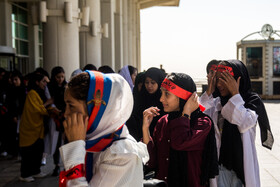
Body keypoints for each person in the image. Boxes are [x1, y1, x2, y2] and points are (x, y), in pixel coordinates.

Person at [59, 70, 149, 186]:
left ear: (96, 110)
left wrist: (75, 149)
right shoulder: (91, 141)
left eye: (71, 106)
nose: (66, 114)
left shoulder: (122, 155)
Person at [199, 60, 274, 187]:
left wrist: (235, 94)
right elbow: (199, 115)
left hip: (241, 168)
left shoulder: (251, 100)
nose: (219, 84)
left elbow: (244, 122)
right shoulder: (216, 102)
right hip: (220, 167)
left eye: (224, 79)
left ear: (238, 80)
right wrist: (208, 93)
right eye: (217, 79)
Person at [142, 73, 218, 187]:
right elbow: (151, 162)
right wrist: (145, 129)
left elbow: (180, 142)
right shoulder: (163, 122)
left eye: (167, 94)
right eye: (161, 93)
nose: (161, 99)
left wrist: (186, 113)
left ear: (183, 97)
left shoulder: (202, 123)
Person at [19, 73, 53, 182]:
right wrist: (48, 105)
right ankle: (25, 174)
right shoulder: (32, 94)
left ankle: (35, 171)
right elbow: (37, 109)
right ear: (37, 82)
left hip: (37, 129)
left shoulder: (39, 93)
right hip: (30, 130)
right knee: (28, 152)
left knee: (37, 151)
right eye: (43, 81)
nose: (45, 84)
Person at [128, 67, 166, 141]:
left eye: (153, 82)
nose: (149, 86)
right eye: (146, 82)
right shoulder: (139, 99)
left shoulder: (164, 102)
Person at [48, 66, 67, 176]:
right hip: (55, 118)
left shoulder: (67, 86)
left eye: (62, 77)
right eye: (58, 77)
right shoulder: (50, 87)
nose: (60, 79)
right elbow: (50, 100)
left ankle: (65, 166)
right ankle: (56, 165)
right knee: (56, 143)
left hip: (65, 117)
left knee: (65, 142)